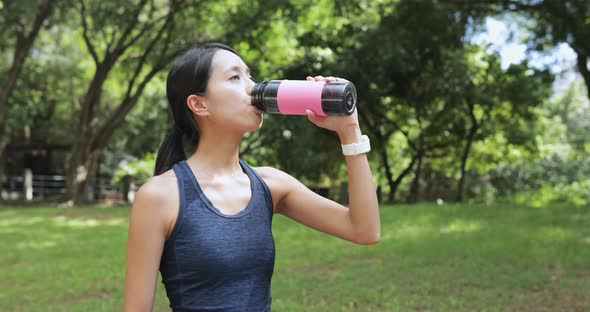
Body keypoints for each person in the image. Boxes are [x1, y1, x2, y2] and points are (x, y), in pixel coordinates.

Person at [124, 43, 380, 312]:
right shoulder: (160, 196)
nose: (253, 88)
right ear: (199, 104)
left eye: (250, 76)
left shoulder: (271, 185)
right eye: (235, 77)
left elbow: (365, 230)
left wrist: (350, 130)